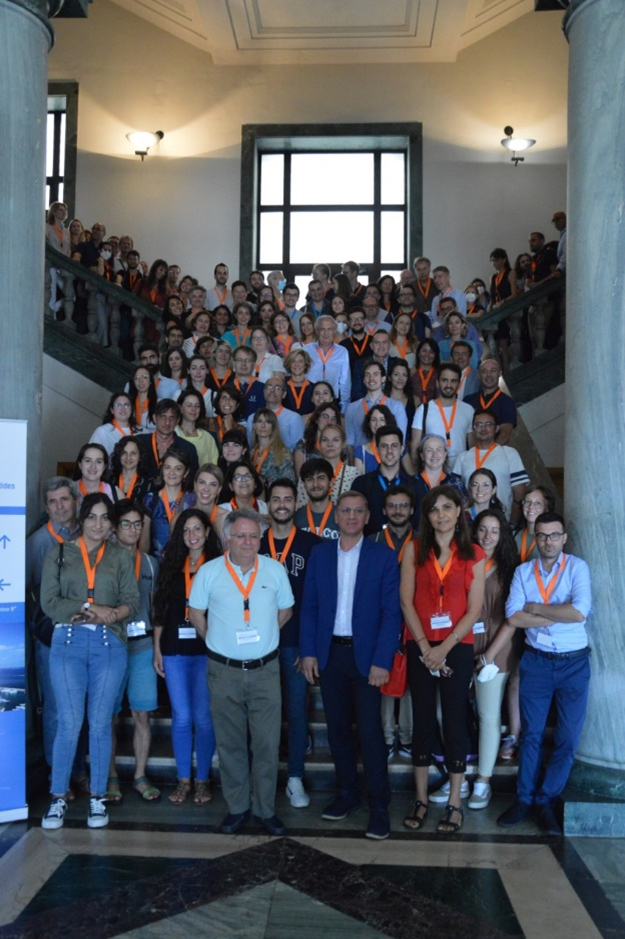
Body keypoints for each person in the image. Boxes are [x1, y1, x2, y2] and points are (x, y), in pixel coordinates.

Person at [300, 490, 402, 840]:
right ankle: (347, 794)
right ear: (336, 515)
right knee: (338, 731)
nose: (352, 516)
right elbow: (310, 606)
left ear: (368, 517)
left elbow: (391, 614)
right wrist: (309, 652)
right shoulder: (320, 554)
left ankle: (379, 805)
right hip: (330, 655)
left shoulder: (383, 557)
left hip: (367, 659)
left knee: (371, 733)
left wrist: (382, 661)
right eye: (346, 510)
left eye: (359, 511)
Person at [188, 508, 294, 836]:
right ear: (227, 539)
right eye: (241, 536)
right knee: (230, 742)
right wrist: (218, 642)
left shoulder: (274, 570)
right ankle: (237, 808)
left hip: (265, 670)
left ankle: (265, 809)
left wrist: (264, 638)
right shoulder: (209, 572)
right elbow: (196, 614)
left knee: (266, 743)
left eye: (253, 536)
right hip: (224, 672)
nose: (248, 542)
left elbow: (286, 611)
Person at [40, 493, 140, 830]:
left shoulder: (120, 556)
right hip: (67, 643)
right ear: (82, 519)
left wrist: (111, 614)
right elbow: (50, 602)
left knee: (99, 723)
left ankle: (98, 797)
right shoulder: (59, 553)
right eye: (92, 517)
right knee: (69, 722)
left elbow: (131, 603)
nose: (98, 524)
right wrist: (91, 608)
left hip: (108, 645)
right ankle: (57, 797)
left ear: (112, 524)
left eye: (105, 518)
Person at [497, 512, 592, 836]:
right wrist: (559, 613)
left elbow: (578, 612)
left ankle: (546, 801)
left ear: (564, 538)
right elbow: (513, 617)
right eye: (542, 535)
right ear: (535, 538)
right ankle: (524, 800)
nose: (548, 541)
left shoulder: (577, 568)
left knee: (568, 738)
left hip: (574, 664)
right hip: (536, 662)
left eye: (554, 535)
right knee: (532, 735)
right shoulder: (524, 572)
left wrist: (536, 608)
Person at [400, 486, 485, 834]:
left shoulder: (474, 553)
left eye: (447, 507)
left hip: (456, 646)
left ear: (459, 512)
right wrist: (425, 648)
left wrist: (443, 649)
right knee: (422, 720)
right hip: (420, 643)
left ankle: (454, 802)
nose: (441, 515)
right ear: (427, 516)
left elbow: (474, 609)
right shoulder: (413, 549)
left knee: (454, 720)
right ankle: (420, 798)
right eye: (434, 510)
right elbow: (406, 601)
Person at [153, 509, 221, 805]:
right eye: (186, 530)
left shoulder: (219, 566)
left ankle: (202, 780)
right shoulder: (171, 565)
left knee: (203, 718)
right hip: (174, 650)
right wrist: (157, 649)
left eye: (197, 529)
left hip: (207, 651)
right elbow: (160, 611)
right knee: (181, 717)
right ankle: (183, 780)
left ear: (207, 532)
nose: (192, 535)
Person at [260, 479, 321, 808]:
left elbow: (318, 601)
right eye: (276, 499)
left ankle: (295, 777)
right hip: (259, 645)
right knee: (263, 713)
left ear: (295, 503)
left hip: (297, 643)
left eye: (287, 499)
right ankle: (264, 777)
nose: (282, 504)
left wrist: (311, 647)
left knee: (297, 711)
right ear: (267, 504)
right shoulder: (255, 544)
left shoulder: (313, 545)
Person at [26, 478, 88, 798]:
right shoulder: (37, 543)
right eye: (52, 501)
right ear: (47, 506)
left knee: (82, 705)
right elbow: (26, 592)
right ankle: (57, 775)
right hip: (51, 639)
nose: (59, 506)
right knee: (55, 708)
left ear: (76, 500)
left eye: (64, 499)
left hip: (87, 635)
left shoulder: (89, 534)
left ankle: (78, 771)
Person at [106, 501, 161, 805]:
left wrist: (157, 650)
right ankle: (111, 775)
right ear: (115, 528)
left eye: (137, 524)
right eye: (126, 523)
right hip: (112, 647)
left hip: (142, 647)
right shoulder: (104, 561)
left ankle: (140, 776)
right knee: (110, 716)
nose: (132, 529)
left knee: (142, 714)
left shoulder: (151, 564)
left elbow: (156, 611)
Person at [467, 509, 518, 810]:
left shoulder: (511, 568)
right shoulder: (464, 560)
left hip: (497, 649)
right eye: (483, 529)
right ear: (475, 531)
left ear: (502, 535)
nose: (488, 536)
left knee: (488, 715)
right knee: (447, 712)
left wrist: (489, 656)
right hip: (464, 645)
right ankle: (457, 773)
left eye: (495, 530)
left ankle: (483, 781)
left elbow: (513, 619)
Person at [368, 485, 416, 761]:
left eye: (403, 505)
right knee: (383, 674)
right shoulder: (372, 541)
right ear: (384, 510)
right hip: (379, 619)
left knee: (409, 678)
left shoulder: (422, 541)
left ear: (412, 510)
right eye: (392, 506)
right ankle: (387, 737)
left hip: (413, 619)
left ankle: (407, 737)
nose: (398, 511)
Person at [452, 409, 529, 524]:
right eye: (479, 424)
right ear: (473, 429)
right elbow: (455, 493)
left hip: (501, 521)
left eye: (488, 424)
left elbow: (520, 492)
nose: (483, 428)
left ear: (496, 428)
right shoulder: (463, 457)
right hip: (470, 522)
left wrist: (512, 523)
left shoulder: (509, 454)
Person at [352, 427, 418, 536]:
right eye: (384, 446)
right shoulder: (361, 484)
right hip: (370, 545)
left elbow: (419, 526)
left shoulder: (415, 486)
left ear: (402, 449)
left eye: (394, 446)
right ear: (377, 449)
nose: (389, 451)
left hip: (406, 545)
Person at [411, 364, 474, 465]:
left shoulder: (468, 410)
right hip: (432, 468)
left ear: (459, 384)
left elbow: (472, 446)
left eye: (453, 381)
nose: (449, 385)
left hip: (460, 469)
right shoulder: (423, 410)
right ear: (437, 383)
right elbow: (415, 445)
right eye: (445, 380)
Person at [141, 448, 192, 557]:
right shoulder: (150, 499)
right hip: (156, 561)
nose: (171, 473)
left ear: (186, 473)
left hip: (183, 560)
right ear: (162, 469)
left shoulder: (192, 500)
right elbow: (144, 539)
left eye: (178, 469)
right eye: (167, 467)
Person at [136, 399, 199, 485]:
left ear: (177, 421)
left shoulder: (188, 448)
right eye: (163, 416)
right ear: (154, 418)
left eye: (171, 418)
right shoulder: (139, 442)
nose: (167, 422)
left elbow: (192, 481)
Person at [345, 360, 407, 448]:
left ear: (383, 378)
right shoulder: (352, 408)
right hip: (361, 456)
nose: (371, 378)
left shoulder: (397, 407)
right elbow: (350, 442)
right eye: (367, 375)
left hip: (388, 456)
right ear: (363, 380)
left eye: (376, 374)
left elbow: (401, 441)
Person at [413, 434, 466, 528]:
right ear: (422, 455)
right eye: (429, 450)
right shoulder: (410, 483)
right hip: (418, 535)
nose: (434, 455)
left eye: (439, 450)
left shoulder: (455, 484)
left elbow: (462, 516)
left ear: (445, 454)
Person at [464, 358, 517, 445]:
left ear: (499, 373)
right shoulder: (468, 400)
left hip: (495, 452)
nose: (489, 375)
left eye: (493, 370)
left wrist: (489, 452)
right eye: (484, 371)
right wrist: (473, 452)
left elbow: (505, 433)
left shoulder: (507, 402)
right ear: (479, 375)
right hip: (470, 451)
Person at [246, 375, 304, 453]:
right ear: (264, 391)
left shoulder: (294, 418)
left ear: (284, 394)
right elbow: (251, 445)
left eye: (278, 388)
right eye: (269, 386)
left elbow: (299, 449)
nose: (272, 390)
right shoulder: (252, 418)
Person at [306, 315, 351, 412]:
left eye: (329, 329)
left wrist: (344, 404)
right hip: (310, 399)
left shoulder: (342, 351)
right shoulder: (306, 350)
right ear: (317, 331)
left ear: (334, 331)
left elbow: (345, 381)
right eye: (322, 329)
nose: (326, 333)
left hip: (332, 399)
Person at [175, 463, 228, 540]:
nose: (206, 489)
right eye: (202, 483)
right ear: (195, 485)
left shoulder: (227, 520)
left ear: (219, 489)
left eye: (213, 485)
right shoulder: (179, 519)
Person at [293, 459, 340, 539]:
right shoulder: (295, 518)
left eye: (321, 478)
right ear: (304, 484)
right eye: (310, 479)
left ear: (331, 481)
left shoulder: (342, 516)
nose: (315, 484)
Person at [250, 408, 296, 487]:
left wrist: (266, 483)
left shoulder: (282, 452)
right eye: (259, 421)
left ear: (273, 427)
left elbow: (290, 483)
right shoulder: (250, 452)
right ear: (254, 425)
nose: (263, 425)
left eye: (268, 422)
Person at [317, 423, 361, 501]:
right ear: (319, 444)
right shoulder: (310, 473)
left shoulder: (354, 473)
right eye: (325, 440)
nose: (330, 444)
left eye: (335, 440)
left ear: (343, 444)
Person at [176, 388, 219, 466]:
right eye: (189, 405)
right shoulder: (173, 433)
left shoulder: (207, 437)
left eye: (197, 406)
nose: (193, 409)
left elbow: (214, 466)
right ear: (180, 408)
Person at [353, 403, 397, 475]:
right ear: (369, 424)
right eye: (374, 420)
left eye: (382, 420)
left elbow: (412, 476)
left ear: (388, 422)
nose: (377, 423)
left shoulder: (399, 449)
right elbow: (358, 480)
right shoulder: (360, 452)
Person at [110, 437, 150, 504]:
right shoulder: (109, 481)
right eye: (124, 453)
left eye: (133, 453)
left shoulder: (148, 485)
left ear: (140, 456)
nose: (128, 457)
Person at [282, 348, 314, 416]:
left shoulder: (314, 388)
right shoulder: (282, 387)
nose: (297, 364)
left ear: (305, 365)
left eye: (300, 361)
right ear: (289, 364)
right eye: (293, 361)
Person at [411, 338, 440, 406]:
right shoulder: (411, 373)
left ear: (435, 355)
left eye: (431, 352)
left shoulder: (439, 374)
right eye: (424, 351)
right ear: (418, 353)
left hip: (435, 409)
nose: (427, 354)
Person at [128, 365, 157, 431]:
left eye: (145, 377)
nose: (140, 380)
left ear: (150, 381)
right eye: (136, 378)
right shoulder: (127, 403)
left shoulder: (159, 404)